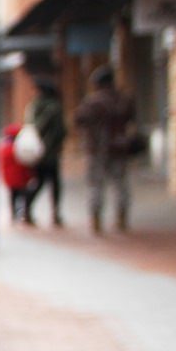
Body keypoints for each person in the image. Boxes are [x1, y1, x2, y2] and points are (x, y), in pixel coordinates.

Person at [74, 65, 138, 234]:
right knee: (121, 185)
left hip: (97, 150)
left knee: (96, 185)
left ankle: (96, 221)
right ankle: (121, 219)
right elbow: (132, 118)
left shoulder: (92, 101)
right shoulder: (124, 99)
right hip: (119, 148)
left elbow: (79, 120)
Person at [24, 75, 67, 226]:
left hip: (37, 150)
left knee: (39, 181)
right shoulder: (53, 106)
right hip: (50, 152)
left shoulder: (35, 106)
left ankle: (27, 209)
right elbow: (61, 130)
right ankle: (55, 213)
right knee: (52, 183)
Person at [0, 123, 37, 223]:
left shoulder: (3, 147)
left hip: (10, 179)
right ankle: (21, 212)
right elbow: (24, 164)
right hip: (20, 179)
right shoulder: (16, 149)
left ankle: (14, 213)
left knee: (13, 197)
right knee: (22, 196)